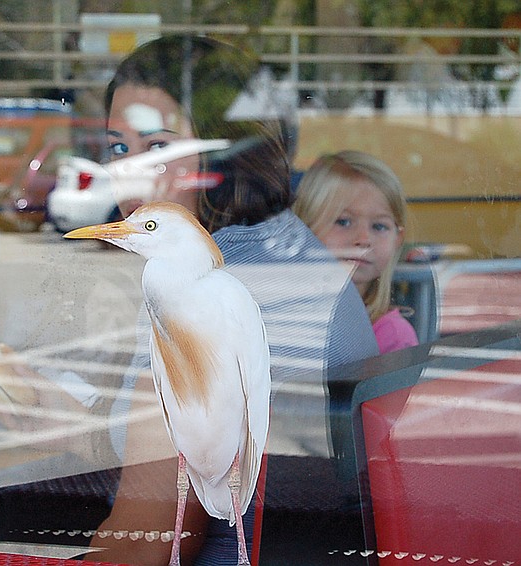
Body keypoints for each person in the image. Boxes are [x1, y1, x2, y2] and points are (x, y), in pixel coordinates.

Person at [87, 36, 379, 565]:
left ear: (227, 153)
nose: (130, 172)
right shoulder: (283, 249)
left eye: (158, 148)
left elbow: (144, 545)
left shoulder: (209, 291)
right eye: (118, 148)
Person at [293, 150, 418, 354]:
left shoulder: (393, 337)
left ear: (398, 239)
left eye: (379, 226)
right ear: (304, 228)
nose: (363, 239)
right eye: (343, 222)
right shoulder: (284, 318)